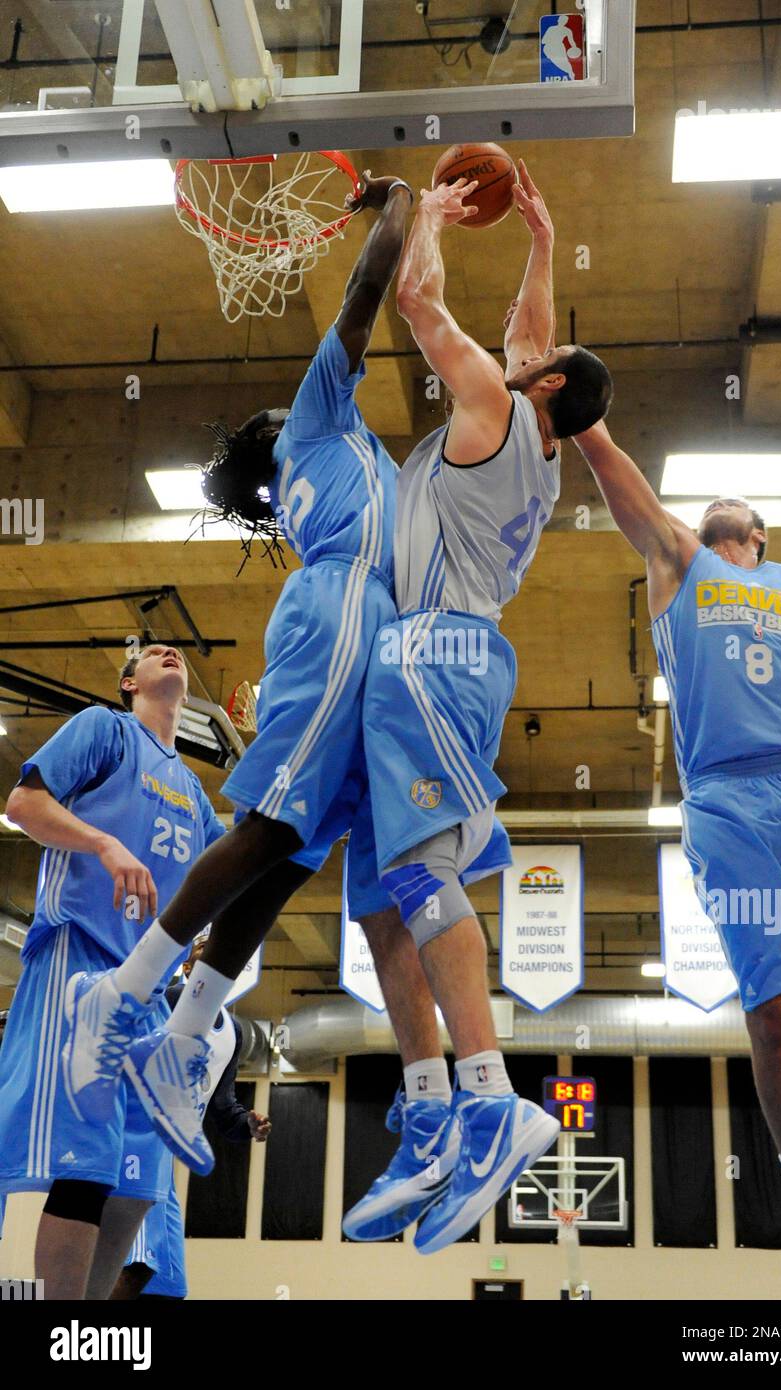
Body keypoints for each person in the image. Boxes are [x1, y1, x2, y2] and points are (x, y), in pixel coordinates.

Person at [62, 172, 427, 1180]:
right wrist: (398, 206)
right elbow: (365, 294)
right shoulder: (318, 417)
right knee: (268, 825)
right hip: (344, 609)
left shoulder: (348, 453)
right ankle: (122, 996)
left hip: (371, 625)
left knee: (295, 850)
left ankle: (186, 1034)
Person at [345, 163, 612, 1254]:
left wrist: (430, 223)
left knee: (421, 875)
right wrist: (542, 247)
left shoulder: (501, 410)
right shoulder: (539, 448)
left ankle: (494, 1094)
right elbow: (531, 336)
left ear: (539, 388)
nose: (520, 347)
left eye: (531, 358)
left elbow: (418, 306)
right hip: (429, 658)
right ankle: (427, 1112)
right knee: (376, 898)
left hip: (431, 656)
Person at [573, 419, 781, 1299]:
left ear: (762, 533)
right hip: (726, 806)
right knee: (771, 1016)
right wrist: (585, 417)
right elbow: (622, 484)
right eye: (707, 510)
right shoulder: (676, 561)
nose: (716, 511)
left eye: (729, 511)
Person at [0, 645, 224, 1299]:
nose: (164, 651)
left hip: (148, 994)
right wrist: (103, 841)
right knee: (82, 1163)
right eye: (147, 654)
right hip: (80, 965)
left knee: (136, 1184)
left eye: (173, 650)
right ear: (130, 684)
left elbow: (226, 885)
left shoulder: (193, 796)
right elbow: (22, 805)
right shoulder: (105, 729)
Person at [113, 937, 270, 1300]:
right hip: (132, 1141)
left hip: (163, 1162)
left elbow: (222, 1109)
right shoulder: (165, 1002)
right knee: (135, 1266)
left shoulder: (233, 1033)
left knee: (167, 1288)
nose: (217, 956)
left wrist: (247, 1122)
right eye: (203, 952)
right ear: (186, 967)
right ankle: (84, 1345)